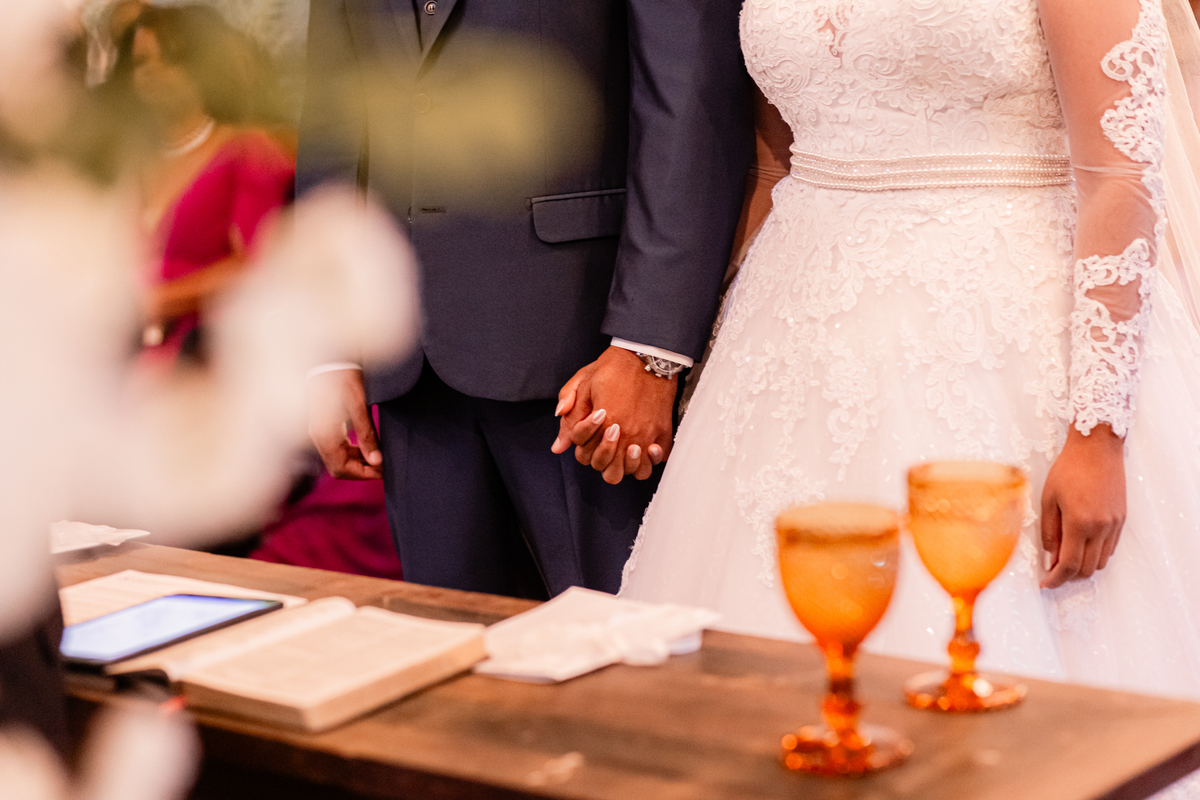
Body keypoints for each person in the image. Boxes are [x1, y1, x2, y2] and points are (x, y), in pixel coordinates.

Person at [621, 0, 1200, 710]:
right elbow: (772, 166)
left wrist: (1098, 428)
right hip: (787, 346)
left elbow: (1121, 178)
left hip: (1005, 343)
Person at [300, 1, 752, 597]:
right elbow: (333, 104)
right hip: (408, 357)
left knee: (617, 648)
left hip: (585, 351)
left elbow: (688, 95)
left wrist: (650, 345)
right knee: (449, 655)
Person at [117, 4, 294, 363]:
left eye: (169, 58)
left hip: (209, 361)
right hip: (131, 369)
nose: (153, 72)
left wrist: (162, 299)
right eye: (141, 63)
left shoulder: (247, 151)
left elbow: (261, 265)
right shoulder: (130, 158)